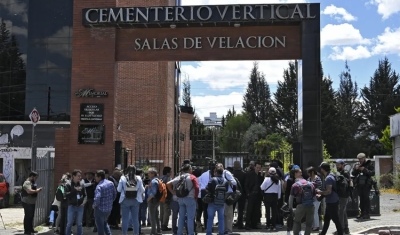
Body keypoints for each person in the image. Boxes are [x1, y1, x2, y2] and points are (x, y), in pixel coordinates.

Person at [167, 164, 199, 235]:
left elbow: (168, 183)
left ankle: (179, 232)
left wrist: (173, 192)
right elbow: (196, 187)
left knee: (181, 217)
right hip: (190, 199)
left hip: (181, 199)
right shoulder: (192, 177)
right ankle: (191, 233)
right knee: (190, 218)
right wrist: (195, 197)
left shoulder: (179, 177)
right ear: (189, 169)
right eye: (191, 169)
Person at [118, 165, 145, 235]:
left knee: (125, 219)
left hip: (125, 199)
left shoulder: (123, 178)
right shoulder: (138, 178)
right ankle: (136, 233)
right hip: (136, 200)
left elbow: (119, 189)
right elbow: (142, 190)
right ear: (135, 171)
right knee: (135, 219)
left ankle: (124, 233)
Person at [317, 163, 343, 235]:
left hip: (332, 201)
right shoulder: (331, 175)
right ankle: (323, 233)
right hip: (331, 200)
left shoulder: (328, 178)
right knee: (327, 218)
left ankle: (341, 233)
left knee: (335, 219)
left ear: (323, 169)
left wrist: (320, 192)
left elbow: (328, 191)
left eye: (321, 168)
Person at [289, 168, 315, 235]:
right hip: (310, 205)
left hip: (300, 206)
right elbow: (314, 196)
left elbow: (291, 197)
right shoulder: (311, 184)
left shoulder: (295, 185)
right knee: (309, 223)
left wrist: (290, 207)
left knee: (297, 221)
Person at [352, 153, 375, 219]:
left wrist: (364, 169)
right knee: (361, 199)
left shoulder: (369, 164)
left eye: (361, 159)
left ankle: (367, 213)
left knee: (366, 199)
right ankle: (362, 213)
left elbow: (372, 173)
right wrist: (356, 169)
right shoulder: (357, 164)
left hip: (366, 184)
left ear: (364, 158)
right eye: (359, 159)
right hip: (359, 184)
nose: (360, 160)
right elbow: (353, 174)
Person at [93, 170, 117, 235]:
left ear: (100, 177)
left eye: (96, 177)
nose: (95, 178)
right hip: (108, 209)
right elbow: (114, 194)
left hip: (100, 209)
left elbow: (97, 198)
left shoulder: (99, 186)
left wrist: (94, 205)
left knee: (100, 226)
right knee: (105, 223)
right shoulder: (111, 183)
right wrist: (110, 202)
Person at [206, 167, 228, 235]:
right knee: (221, 219)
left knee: (210, 218)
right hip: (221, 202)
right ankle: (221, 232)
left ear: (216, 172)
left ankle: (209, 233)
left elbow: (207, 189)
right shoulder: (225, 181)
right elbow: (226, 191)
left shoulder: (212, 180)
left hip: (212, 202)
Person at [65, 169, 87, 235]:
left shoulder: (82, 184)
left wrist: (84, 202)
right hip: (71, 206)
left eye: (80, 176)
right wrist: (74, 190)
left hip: (80, 207)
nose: (80, 177)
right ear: (73, 176)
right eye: (78, 176)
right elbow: (66, 195)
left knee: (79, 224)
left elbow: (85, 195)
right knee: (69, 223)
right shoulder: (68, 184)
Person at [260, 167, 282, 231]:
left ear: (269, 172)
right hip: (275, 196)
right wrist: (278, 197)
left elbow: (262, 187)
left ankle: (268, 225)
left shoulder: (266, 179)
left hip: (268, 196)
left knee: (268, 211)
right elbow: (279, 190)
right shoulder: (278, 180)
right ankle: (274, 225)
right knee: (274, 211)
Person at [335, 159, 351, 235]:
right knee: (343, 211)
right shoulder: (338, 173)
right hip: (340, 195)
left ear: (342, 165)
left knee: (340, 212)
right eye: (336, 164)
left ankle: (340, 229)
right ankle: (346, 228)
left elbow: (348, 182)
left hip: (344, 195)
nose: (337, 166)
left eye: (338, 164)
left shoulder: (345, 173)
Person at [245, 162, 262, 230]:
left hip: (258, 195)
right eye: (257, 167)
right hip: (251, 194)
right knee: (249, 210)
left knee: (256, 210)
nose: (258, 169)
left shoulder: (260, 175)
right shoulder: (250, 174)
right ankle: (247, 224)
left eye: (259, 168)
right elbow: (246, 184)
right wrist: (248, 193)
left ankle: (254, 224)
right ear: (254, 167)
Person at [306, 166, 323, 232]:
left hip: (317, 197)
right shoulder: (309, 179)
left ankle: (316, 226)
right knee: (312, 212)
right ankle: (314, 225)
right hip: (310, 197)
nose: (308, 174)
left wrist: (313, 190)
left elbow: (319, 188)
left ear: (312, 172)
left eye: (309, 172)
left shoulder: (317, 179)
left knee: (315, 211)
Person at [146, 167, 162, 235]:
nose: (148, 174)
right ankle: (158, 230)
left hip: (152, 200)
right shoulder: (157, 180)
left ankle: (153, 232)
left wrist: (148, 199)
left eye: (149, 173)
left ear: (152, 174)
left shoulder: (153, 181)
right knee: (156, 216)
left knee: (152, 216)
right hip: (156, 200)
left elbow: (153, 192)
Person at [232, 161, 246, 230]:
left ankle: (229, 223)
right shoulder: (244, 174)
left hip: (233, 194)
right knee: (241, 210)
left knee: (232, 209)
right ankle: (240, 223)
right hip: (241, 193)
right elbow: (245, 184)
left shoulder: (232, 174)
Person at [160, 166, 172, 231]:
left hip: (160, 197)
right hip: (167, 197)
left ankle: (161, 224)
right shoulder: (168, 179)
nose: (171, 173)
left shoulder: (160, 178)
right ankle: (164, 225)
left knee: (162, 211)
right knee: (167, 211)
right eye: (170, 171)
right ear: (168, 172)